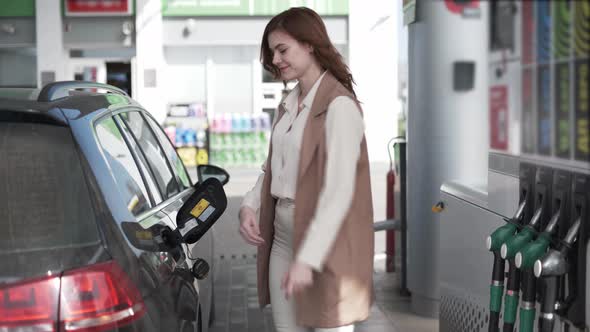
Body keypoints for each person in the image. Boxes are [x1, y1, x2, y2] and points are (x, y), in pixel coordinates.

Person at [238, 7, 374, 332]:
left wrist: (308, 258)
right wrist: (249, 203)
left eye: (282, 49)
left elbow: (340, 191)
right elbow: (271, 168)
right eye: (272, 52)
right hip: (283, 239)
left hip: (327, 245)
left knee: (329, 324)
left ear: (310, 44)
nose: (276, 59)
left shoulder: (340, 107)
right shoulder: (287, 106)